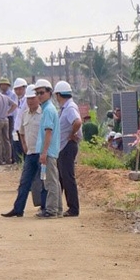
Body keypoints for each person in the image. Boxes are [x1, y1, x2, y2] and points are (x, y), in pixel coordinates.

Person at [2, 84, 46, 217]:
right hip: (30, 153)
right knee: (24, 183)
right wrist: (24, 145)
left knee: (43, 182)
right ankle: (18, 209)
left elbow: (48, 133)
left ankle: (44, 208)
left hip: (41, 154)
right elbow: (21, 131)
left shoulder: (44, 114)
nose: (30, 101)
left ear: (38, 98)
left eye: (33, 98)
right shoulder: (25, 114)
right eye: (28, 99)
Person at [54, 81, 82, 218]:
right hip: (64, 147)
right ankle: (55, 205)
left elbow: (77, 122)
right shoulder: (67, 107)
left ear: (59, 95)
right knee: (61, 178)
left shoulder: (69, 108)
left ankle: (73, 208)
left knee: (67, 178)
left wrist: (72, 134)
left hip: (67, 146)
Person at [34, 79, 61, 218]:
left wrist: (44, 152)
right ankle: (58, 209)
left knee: (50, 182)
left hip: (49, 151)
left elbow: (48, 132)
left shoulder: (48, 110)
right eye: (37, 93)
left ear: (49, 93)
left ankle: (51, 210)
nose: (39, 95)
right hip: (50, 150)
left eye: (42, 93)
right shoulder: (47, 109)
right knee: (53, 180)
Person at [0, 77, 18, 163]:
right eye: (2, 85)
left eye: (5, 85)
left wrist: (7, 112)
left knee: (9, 137)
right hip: (0, 118)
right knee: (0, 138)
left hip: (9, 117)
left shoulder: (12, 95)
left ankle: (11, 157)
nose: (3, 86)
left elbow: (14, 105)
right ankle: (3, 156)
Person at [11, 78, 28, 163]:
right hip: (17, 130)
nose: (18, 91)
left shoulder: (27, 101)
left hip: (23, 130)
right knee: (17, 150)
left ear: (25, 89)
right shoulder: (19, 101)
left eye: (20, 89)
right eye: (16, 89)